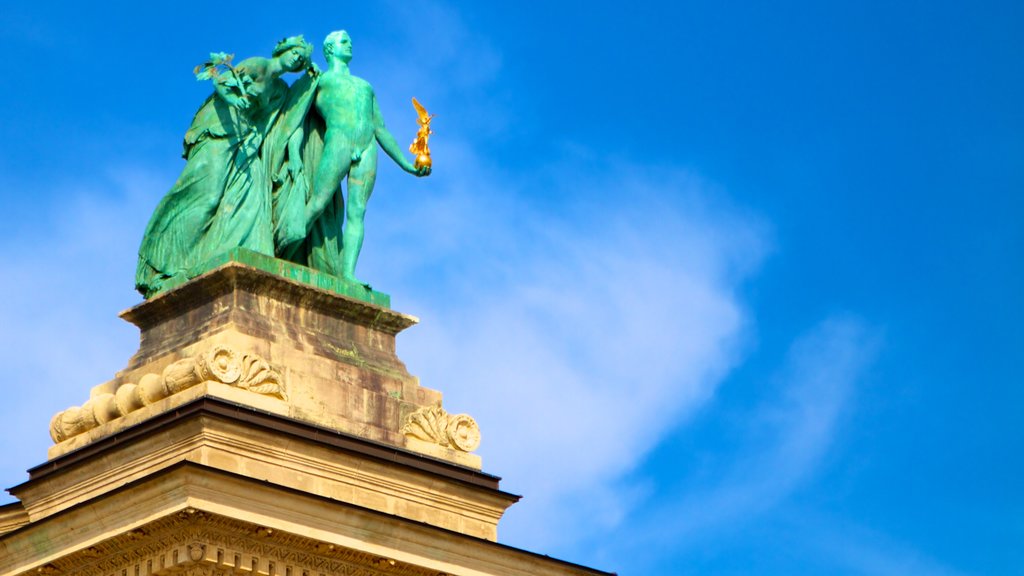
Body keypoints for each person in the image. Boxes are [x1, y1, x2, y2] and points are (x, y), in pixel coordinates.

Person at [135, 37, 313, 298]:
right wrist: (234, 100)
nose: (297, 58)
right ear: (283, 50)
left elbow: (289, 125)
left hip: (244, 141)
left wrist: (310, 84)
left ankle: (221, 249)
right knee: (205, 195)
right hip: (219, 130)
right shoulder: (258, 65)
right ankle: (165, 265)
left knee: (251, 193)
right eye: (295, 52)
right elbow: (220, 83)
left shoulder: (281, 91)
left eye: (302, 57)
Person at [302, 30, 430, 285]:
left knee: (358, 212)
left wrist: (406, 164)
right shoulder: (320, 79)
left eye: (350, 40)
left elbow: (380, 128)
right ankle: (284, 248)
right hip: (339, 141)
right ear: (329, 49)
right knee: (318, 202)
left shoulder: (365, 86)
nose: (349, 44)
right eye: (343, 41)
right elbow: (296, 114)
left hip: (367, 146)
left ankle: (348, 274)